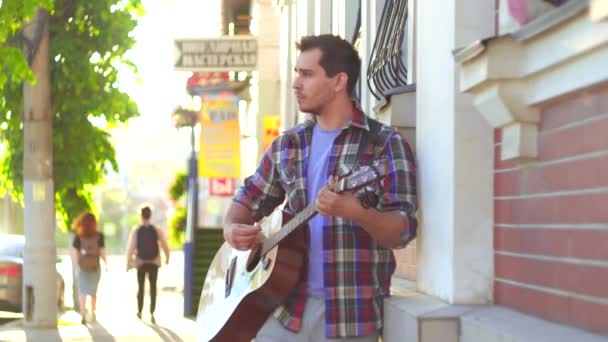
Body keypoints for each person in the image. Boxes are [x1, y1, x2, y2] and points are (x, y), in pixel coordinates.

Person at [223, 34, 418, 341]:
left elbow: (402, 231)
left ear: (339, 81)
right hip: (282, 311)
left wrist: (356, 212)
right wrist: (232, 228)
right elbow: (246, 200)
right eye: (297, 73)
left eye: (307, 74)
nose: (295, 83)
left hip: (351, 319)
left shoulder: (385, 145)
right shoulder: (287, 145)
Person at [126, 205, 170, 324]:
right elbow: (165, 245)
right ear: (150, 215)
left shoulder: (137, 230)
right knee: (153, 288)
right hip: (154, 262)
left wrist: (128, 262)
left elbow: (131, 247)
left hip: (140, 262)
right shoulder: (157, 229)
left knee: (140, 288)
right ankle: (152, 312)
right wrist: (167, 258)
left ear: (141, 216)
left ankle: (140, 311)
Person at [72, 211, 108, 325]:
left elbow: (76, 253)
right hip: (95, 266)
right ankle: (93, 313)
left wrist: (78, 265)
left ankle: (83, 314)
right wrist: (106, 263)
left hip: (82, 267)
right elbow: (102, 251)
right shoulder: (99, 236)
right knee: (93, 292)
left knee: (82, 291)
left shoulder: (78, 236)